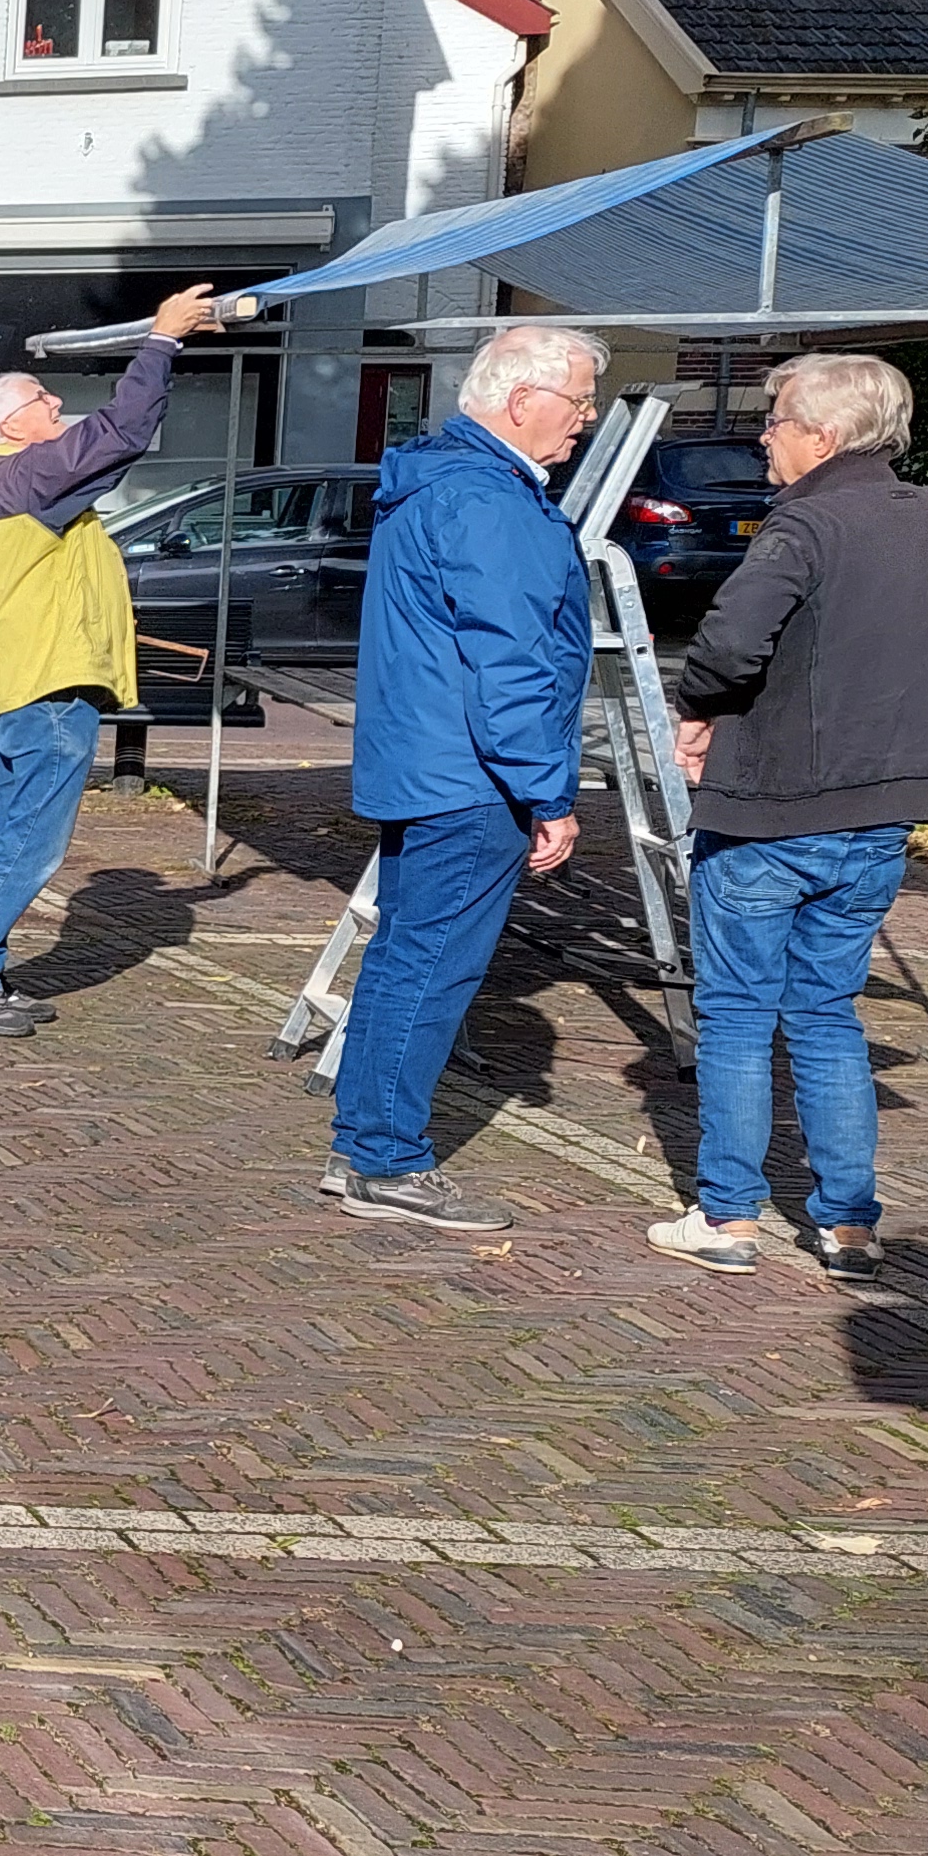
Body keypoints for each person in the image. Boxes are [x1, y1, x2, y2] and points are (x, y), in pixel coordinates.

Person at [645, 354, 928, 1280]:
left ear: (821, 436)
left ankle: (729, 1217)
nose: (763, 437)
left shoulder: (804, 525)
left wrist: (696, 709)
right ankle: (848, 1224)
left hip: (773, 805)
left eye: (775, 420)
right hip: (885, 812)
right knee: (827, 1013)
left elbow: (729, 644)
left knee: (739, 1015)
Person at [323, 324, 603, 1232]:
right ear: (524, 401)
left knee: (408, 956)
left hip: (427, 762)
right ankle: (384, 1158)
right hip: (471, 775)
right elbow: (513, 663)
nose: (587, 420)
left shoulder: (436, 482)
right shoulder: (488, 500)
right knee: (432, 965)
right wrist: (547, 792)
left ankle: (368, 1144)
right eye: (580, 401)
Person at [0, 285, 220, 1035]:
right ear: (7, 426)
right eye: (41, 399)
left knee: (5, 830)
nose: (56, 404)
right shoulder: (24, 476)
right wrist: (161, 341)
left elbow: (109, 450)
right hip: (51, 690)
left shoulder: (11, 482)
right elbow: (123, 431)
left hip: (32, 685)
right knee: (28, 839)